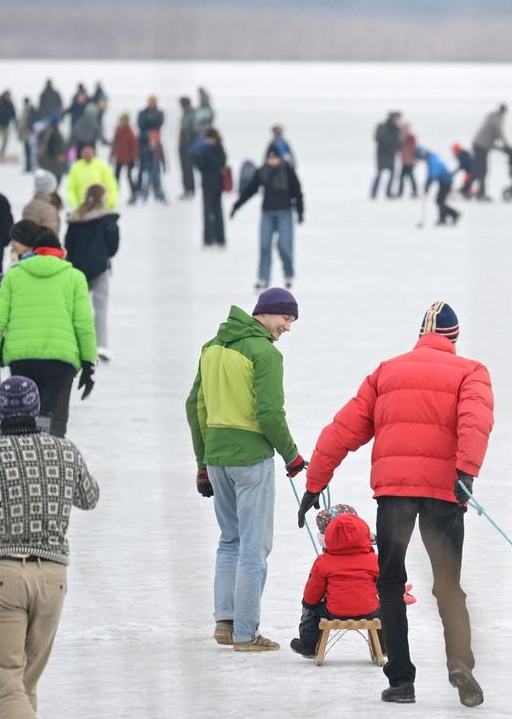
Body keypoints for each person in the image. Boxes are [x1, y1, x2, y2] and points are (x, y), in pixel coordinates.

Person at [301, 301, 493, 707]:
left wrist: (316, 482)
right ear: (454, 338)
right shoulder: (470, 371)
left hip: (394, 495)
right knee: (448, 586)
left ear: (420, 335)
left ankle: (401, 680)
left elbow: (344, 428)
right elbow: (474, 421)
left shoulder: (387, 371)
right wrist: (467, 472)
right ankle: (460, 665)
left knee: (389, 583)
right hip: (444, 493)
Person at [0, 375, 99, 719]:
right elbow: (90, 497)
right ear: (36, 409)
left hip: (2, 576)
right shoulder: (64, 450)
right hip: (53, 577)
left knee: (10, 688)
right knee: (25, 685)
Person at [184, 288, 307, 652]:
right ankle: (246, 633)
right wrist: (292, 456)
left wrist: (202, 462)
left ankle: (225, 623)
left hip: (218, 457)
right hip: (251, 458)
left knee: (230, 540)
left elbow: (195, 406)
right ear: (265, 313)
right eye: (285, 318)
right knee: (254, 546)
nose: (287, 327)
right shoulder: (264, 353)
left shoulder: (212, 347)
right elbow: (269, 414)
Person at [0, 222, 97, 438]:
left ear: (34, 253)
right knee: (55, 420)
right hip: (61, 362)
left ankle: (26, 464)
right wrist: (89, 363)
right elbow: (84, 324)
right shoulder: (75, 277)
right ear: (60, 254)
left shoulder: (14, 276)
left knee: (24, 419)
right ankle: (53, 459)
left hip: (22, 358)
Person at [289, 509, 382, 659]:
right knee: (385, 613)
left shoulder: (324, 561)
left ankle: (308, 646)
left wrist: (308, 604)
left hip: (334, 610)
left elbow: (313, 592)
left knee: (312, 613)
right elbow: (384, 585)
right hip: (370, 610)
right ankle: (384, 646)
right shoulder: (374, 560)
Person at [232, 147, 303, 287]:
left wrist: (300, 212)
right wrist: (237, 206)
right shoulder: (262, 171)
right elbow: (250, 190)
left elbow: (297, 192)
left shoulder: (287, 170)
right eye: (270, 158)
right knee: (264, 246)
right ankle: (263, 278)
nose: (272, 161)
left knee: (284, 245)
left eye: (275, 158)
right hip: (267, 214)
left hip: (285, 212)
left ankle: (289, 274)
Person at [64, 184, 119, 363]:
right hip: (100, 268)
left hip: (78, 270)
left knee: (79, 309)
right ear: (101, 197)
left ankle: (78, 345)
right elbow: (113, 245)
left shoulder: (75, 218)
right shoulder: (107, 219)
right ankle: (101, 345)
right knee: (100, 307)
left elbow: (68, 245)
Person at [192, 128, 228, 247]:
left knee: (208, 212)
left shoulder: (205, 150)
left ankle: (208, 239)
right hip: (218, 184)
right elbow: (223, 163)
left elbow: (201, 166)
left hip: (207, 184)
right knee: (218, 212)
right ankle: (220, 238)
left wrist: (196, 159)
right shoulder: (220, 147)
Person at [65, 143, 118, 211]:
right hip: (82, 207)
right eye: (85, 153)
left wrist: (111, 202)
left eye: (89, 153)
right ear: (82, 154)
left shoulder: (102, 166)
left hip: (100, 207)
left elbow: (111, 185)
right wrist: (74, 204)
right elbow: (70, 188)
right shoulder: (76, 167)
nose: (88, 155)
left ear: (93, 154)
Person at [471, 104, 508, 201]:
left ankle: (479, 192)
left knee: (480, 170)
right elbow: (498, 132)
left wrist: (500, 148)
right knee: (483, 170)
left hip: (479, 145)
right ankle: (480, 193)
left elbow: (490, 138)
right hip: (481, 147)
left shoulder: (491, 116)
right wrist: (506, 145)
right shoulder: (497, 119)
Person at [421, 147, 460, 225]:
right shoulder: (432, 159)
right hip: (444, 182)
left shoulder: (432, 161)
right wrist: (427, 184)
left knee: (439, 201)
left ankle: (452, 215)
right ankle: (447, 217)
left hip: (446, 182)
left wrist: (428, 185)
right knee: (439, 201)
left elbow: (433, 174)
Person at [22, 170, 63, 241]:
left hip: (29, 249)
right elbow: (50, 237)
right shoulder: (49, 210)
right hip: (44, 250)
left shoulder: (28, 206)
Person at [135, 95, 164, 190]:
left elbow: (158, 123)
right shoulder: (142, 113)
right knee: (142, 164)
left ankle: (156, 187)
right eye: (150, 102)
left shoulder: (159, 113)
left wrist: (149, 122)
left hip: (155, 141)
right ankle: (140, 186)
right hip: (143, 141)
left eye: (153, 102)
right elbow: (141, 124)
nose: (151, 104)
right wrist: (150, 122)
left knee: (156, 164)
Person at [371, 111, 402, 199]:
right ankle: (374, 192)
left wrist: (396, 147)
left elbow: (398, 143)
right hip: (382, 153)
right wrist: (392, 145)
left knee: (392, 173)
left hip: (391, 154)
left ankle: (388, 192)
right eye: (397, 118)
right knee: (379, 173)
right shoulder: (381, 126)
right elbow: (378, 139)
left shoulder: (396, 129)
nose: (398, 120)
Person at [109, 113, 139, 203]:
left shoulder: (130, 132)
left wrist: (134, 158)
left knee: (129, 176)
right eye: (121, 120)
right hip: (119, 158)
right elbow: (115, 143)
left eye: (123, 120)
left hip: (129, 158)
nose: (121, 122)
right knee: (116, 177)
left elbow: (134, 146)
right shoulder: (118, 130)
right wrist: (112, 154)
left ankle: (134, 194)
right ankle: (114, 194)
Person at [137, 130, 168, 205]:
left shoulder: (159, 148)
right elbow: (144, 158)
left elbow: (162, 158)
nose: (153, 142)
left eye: (155, 140)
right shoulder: (147, 149)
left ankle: (162, 197)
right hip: (149, 170)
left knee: (158, 184)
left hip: (157, 170)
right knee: (147, 184)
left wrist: (164, 166)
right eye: (152, 140)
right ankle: (144, 198)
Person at [35, 113, 68, 183]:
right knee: (53, 184)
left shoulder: (46, 131)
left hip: (47, 163)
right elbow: (53, 146)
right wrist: (59, 155)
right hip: (53, 164)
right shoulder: (53, 132)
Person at [178, 96, 198, 199]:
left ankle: (190, 190)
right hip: (183, 144)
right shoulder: (185, 114)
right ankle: (186, 189)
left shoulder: (192, 114)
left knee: (188, 168)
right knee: (184, 168)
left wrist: (190, 145)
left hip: (188, 144)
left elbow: (194, 131)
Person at [0, 90, 16, 161]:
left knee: (5, 141)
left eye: (9, 96)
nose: (8, 97)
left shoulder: (10, 104)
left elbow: (13, 114)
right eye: (7, 96)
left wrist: (15, 124)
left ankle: (1, 154)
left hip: (6, 125)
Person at [397, 123, 419, 198]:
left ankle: (413, 191)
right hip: (405, 161)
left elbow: (414, 150)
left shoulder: (410, 137)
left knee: (409, 176)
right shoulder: (402, 138)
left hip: (409, 162)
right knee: (404, 177)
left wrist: (413, 160)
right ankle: (402, 191)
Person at [17, 97, 35, 172]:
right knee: (30, 152)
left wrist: (19, 132)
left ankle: (29, 167)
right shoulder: (32, 109)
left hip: (27, 133)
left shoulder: (25, 110)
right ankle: (30, 167)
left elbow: (21, 123)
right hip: (30, 133)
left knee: (28, 151)